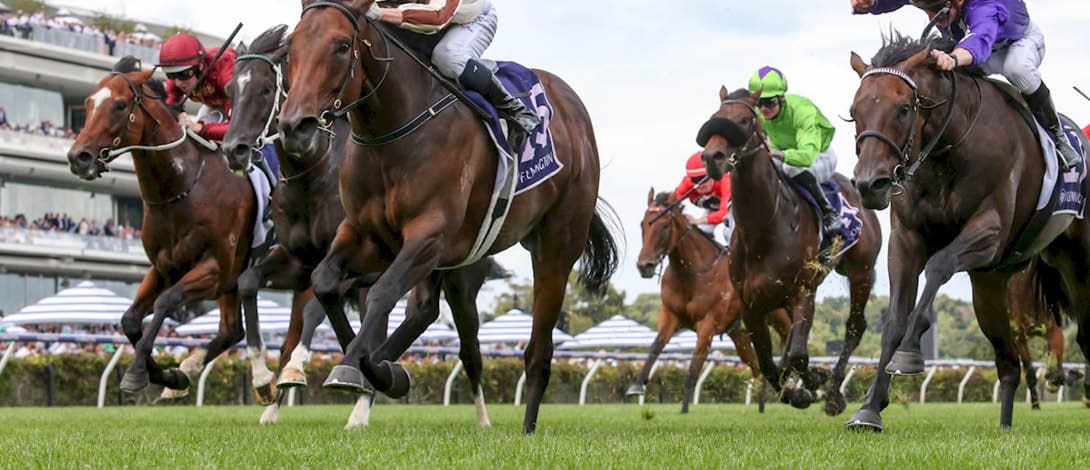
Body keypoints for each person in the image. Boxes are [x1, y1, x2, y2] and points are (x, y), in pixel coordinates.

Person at [850, 0, 1081, 169]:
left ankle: (1058, 137)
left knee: (1016, 69)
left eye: (938, 10)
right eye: (927, 11)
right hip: (978, 47)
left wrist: (954, 58)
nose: (933, 18)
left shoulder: (984, 5)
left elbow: (980, 38)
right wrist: (872, 4)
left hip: (1017, 43)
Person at [366, 0, 541, 152]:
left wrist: (380, 13)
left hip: (470, 18)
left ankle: (515, 110)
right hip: (423, 21)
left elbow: (439, 17)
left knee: (447, 56)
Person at [157, 33, 276, 182]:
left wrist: (201, 129)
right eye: (170, 75)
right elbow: (170, 107)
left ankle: (271, 182)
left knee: (243, 141)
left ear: (200, 65)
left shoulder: (225, 73)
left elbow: (236, 127)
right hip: (212, 106)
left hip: (241, 105)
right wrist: (178, 114)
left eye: (184, 74)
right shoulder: (177, 79)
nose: (178, 83)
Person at [747, 66, 843, 240]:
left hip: (820, 157)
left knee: (790, 168)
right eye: (759, 103)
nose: (763, 109)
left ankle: (829, 212)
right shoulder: (758, 113)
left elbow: (806, 157)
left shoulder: (803, 111)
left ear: (782, 98)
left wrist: (779, 154)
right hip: (783, 154)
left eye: (769, 102)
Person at [672, 151, 733, 243]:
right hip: (714, 208)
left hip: (735, 207)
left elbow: (724, 213)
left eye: (703, 178)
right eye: (694, 179)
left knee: (728, 233)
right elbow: (671, 202)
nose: (699, 184)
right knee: (701, 231)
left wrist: (698, 220)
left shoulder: (725, 180)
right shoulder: (687, 184)